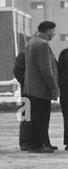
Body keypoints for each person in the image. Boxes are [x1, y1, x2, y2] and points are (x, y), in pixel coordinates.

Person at [23, 20, 59, 152]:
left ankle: (41, 143)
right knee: (42, 118)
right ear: (47, 30)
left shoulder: (31, 42)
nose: (54, 34)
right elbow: (46, 69)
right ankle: (38, 145)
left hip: (31, 89)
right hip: (41, 89)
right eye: (53, 31)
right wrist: (53, 87)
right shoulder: (42, 44)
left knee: (35, 117)